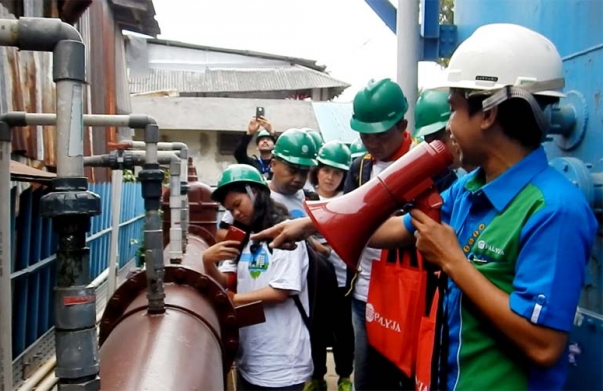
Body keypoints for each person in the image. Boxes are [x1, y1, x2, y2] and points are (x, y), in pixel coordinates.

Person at [250, 23, 598, 391]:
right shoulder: (470, 187)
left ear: (489, 113)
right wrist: (312, 223)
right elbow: (400, 229)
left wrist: (454, 262)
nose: (448, 126)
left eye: (454, 109)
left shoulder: (555, 209)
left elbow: (544, 346)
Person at [203, 164, 312, 390]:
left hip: (282, 360)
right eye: (230, 210)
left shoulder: (286, 233)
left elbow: (280, 291)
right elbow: (227, 280)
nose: (236, 213)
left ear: (255, 193)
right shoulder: (244, 236)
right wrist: (208, 262)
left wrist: (234, 299)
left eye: (237, 205)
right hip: (251, 357)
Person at [344, 78, 416, 390]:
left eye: (380, 134)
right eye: (364, 134)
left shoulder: (424, 165)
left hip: (409, 296)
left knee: (407, 377)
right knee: (368, 380)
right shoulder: (359, 168)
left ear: (402, 125)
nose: (371, 142)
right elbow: (345, 216)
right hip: (364, 296)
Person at [304, 141, 355, 391]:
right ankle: (317, 376)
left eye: (337, 173)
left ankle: (345, 375)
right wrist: (315, 244)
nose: (330, 177)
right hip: (313, 279)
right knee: (316, 328)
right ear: (317, 171)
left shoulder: (349, 202)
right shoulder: (306, 199)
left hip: (343, 280)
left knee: (343, 330)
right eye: (326, 170)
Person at [414, 90, 463, 192]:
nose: (437, 152)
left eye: (441, 141)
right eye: (430, 145)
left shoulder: (487, 174)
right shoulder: (436, 180)